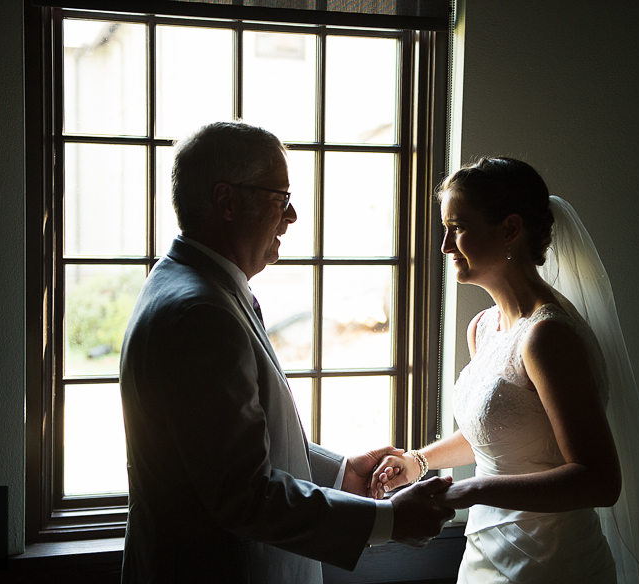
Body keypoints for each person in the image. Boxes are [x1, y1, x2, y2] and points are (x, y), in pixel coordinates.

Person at [119, 121, 455, 584]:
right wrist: (390, 521)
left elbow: (237, 444)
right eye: (280, 198)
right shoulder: (200, 314)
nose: (292, 216)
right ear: (226, 201)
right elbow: (244, 494)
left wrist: (341, 474)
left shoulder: (193, 283)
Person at [370, 157, 639, 583]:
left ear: (510, 229)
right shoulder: (484, 327)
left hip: (552, 562)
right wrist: (418, 462)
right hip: (485, 550)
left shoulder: (548, 336)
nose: (444, 245)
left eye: (457, 228)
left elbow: (599, 481)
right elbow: (499, 433)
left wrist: (471, 490)